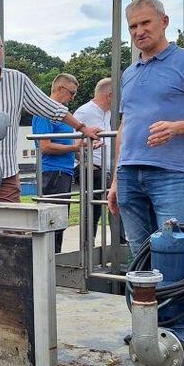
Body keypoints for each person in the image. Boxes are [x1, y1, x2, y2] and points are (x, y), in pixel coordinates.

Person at [107, 0, 184, 251]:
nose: (139, 31)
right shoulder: (129, 73)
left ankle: (177, 293)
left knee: (174, 250)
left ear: (164, 22)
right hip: (128, 173)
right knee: (139, 253)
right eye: (132, 27)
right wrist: (116, 180)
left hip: (169, 173)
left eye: (145, 23)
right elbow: (124, 127)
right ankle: (143, 293)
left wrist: (176, 128)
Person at [0, 29, 100, 202]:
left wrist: (81, 128)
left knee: (13, 227)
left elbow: (51, 108)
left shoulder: (18, 80)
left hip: (6, 171)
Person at [32, 73, 83, 252]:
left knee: (59, 224)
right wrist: (75, 148)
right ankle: (48, 265)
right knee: (52, 224)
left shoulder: (61, 115)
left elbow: (63, 145)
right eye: (72, 93)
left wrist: (79, 148)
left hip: (62, 173)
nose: (73, 97)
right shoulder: (45, 112)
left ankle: (54, 263)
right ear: (61, 89)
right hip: (53, 174)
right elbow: (45, 146)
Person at [74, 77, 115, 242]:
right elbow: (75, 143)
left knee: (116, 202)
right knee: (93, 208)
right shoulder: (84, 112)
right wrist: (87, 162)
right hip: (92, 168)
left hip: (107, 168)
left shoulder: (109, 114)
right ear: (110, 95)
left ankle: (118, 243)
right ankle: (87, 246)